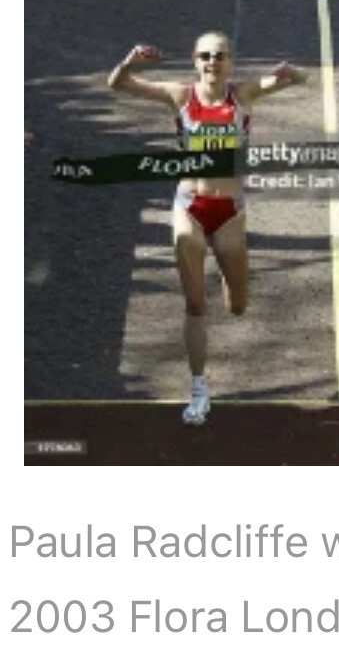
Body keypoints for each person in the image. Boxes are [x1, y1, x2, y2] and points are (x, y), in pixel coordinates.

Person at [108, 31, 308, 425]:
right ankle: (199, 389)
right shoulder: (180, 96)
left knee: (237, 307)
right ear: (195, 61)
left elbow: (300, 80)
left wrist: (290, 71)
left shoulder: (243, 94)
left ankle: (231, 283)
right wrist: (128, 63)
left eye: (219, 56)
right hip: (190, 206)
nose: (212, 62)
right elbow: (119, 84)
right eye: (205, 56)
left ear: (230, 62)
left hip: (230, 211)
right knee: (195, 304)